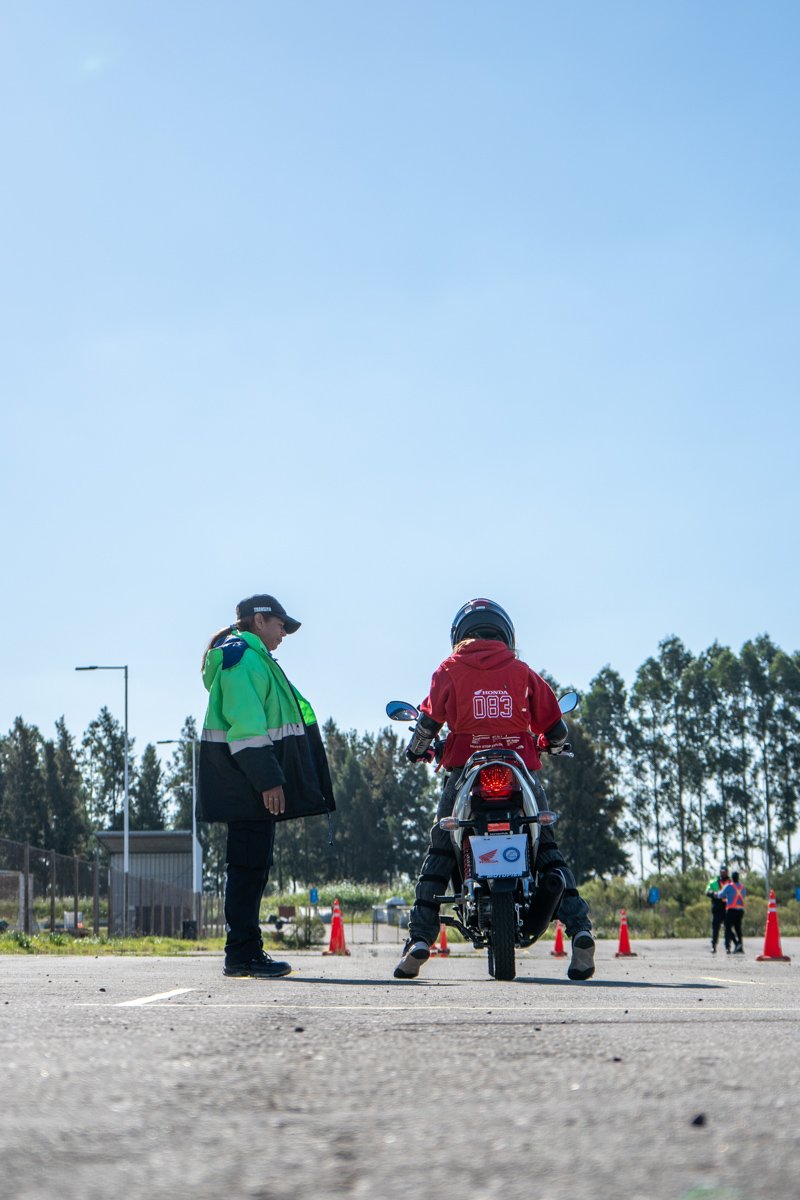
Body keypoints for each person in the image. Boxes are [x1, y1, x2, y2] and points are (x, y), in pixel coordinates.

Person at [394, 598, 595, 982]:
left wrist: (417, 749)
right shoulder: (521, 671)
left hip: (465, 770)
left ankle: (419, 940)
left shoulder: (448, 669)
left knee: (441, 850)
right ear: (504, 633)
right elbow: (555, 728)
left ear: (460, 635)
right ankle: (580, 929)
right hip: (519, 768)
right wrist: (551, 744)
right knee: (547, 850)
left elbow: (428, 722)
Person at [198, 593, 336, 978]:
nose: (284, 633)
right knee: (246, 868)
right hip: (246, 783)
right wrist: (269, 781)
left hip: (247, 783)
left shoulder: (254, 659)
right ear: (259, 621)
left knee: (253, 867)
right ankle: (242, 954)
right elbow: (246, 730)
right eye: (280, 625)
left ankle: (246, 951)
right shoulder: (241, 659)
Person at [719, 870, 746, 954]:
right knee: (738, 929)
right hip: (740, 911)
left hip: (731, 910)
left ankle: (736, 943)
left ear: (732, 878)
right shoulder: (742, 887)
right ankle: (740, 946)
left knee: (727, 927)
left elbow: (720, 895)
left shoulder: (729, 886)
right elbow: (744, 895)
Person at [705, 864, 730, 953]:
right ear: (720, 872)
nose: (723, 873)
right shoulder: (713, 882)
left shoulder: (730, 882)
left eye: (725, 872)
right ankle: (713, 946)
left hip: (728, 908)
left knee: (727, 929)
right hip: (717, 908)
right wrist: (713, 893)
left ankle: (728, 947)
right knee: (715, 928)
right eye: (722, 872)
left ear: (727, 872)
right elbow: (707, 891)